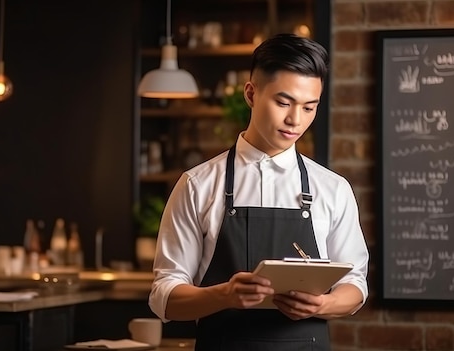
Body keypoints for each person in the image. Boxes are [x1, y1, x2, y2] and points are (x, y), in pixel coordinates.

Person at [148, 33, 369, 351]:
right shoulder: (198, 185)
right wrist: (223, 295)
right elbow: (163, 297)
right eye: (283, 102)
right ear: (250, 94)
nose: (295, 120)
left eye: (309, 107)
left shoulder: (332, 189)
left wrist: (321, 305)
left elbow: (355, 285)